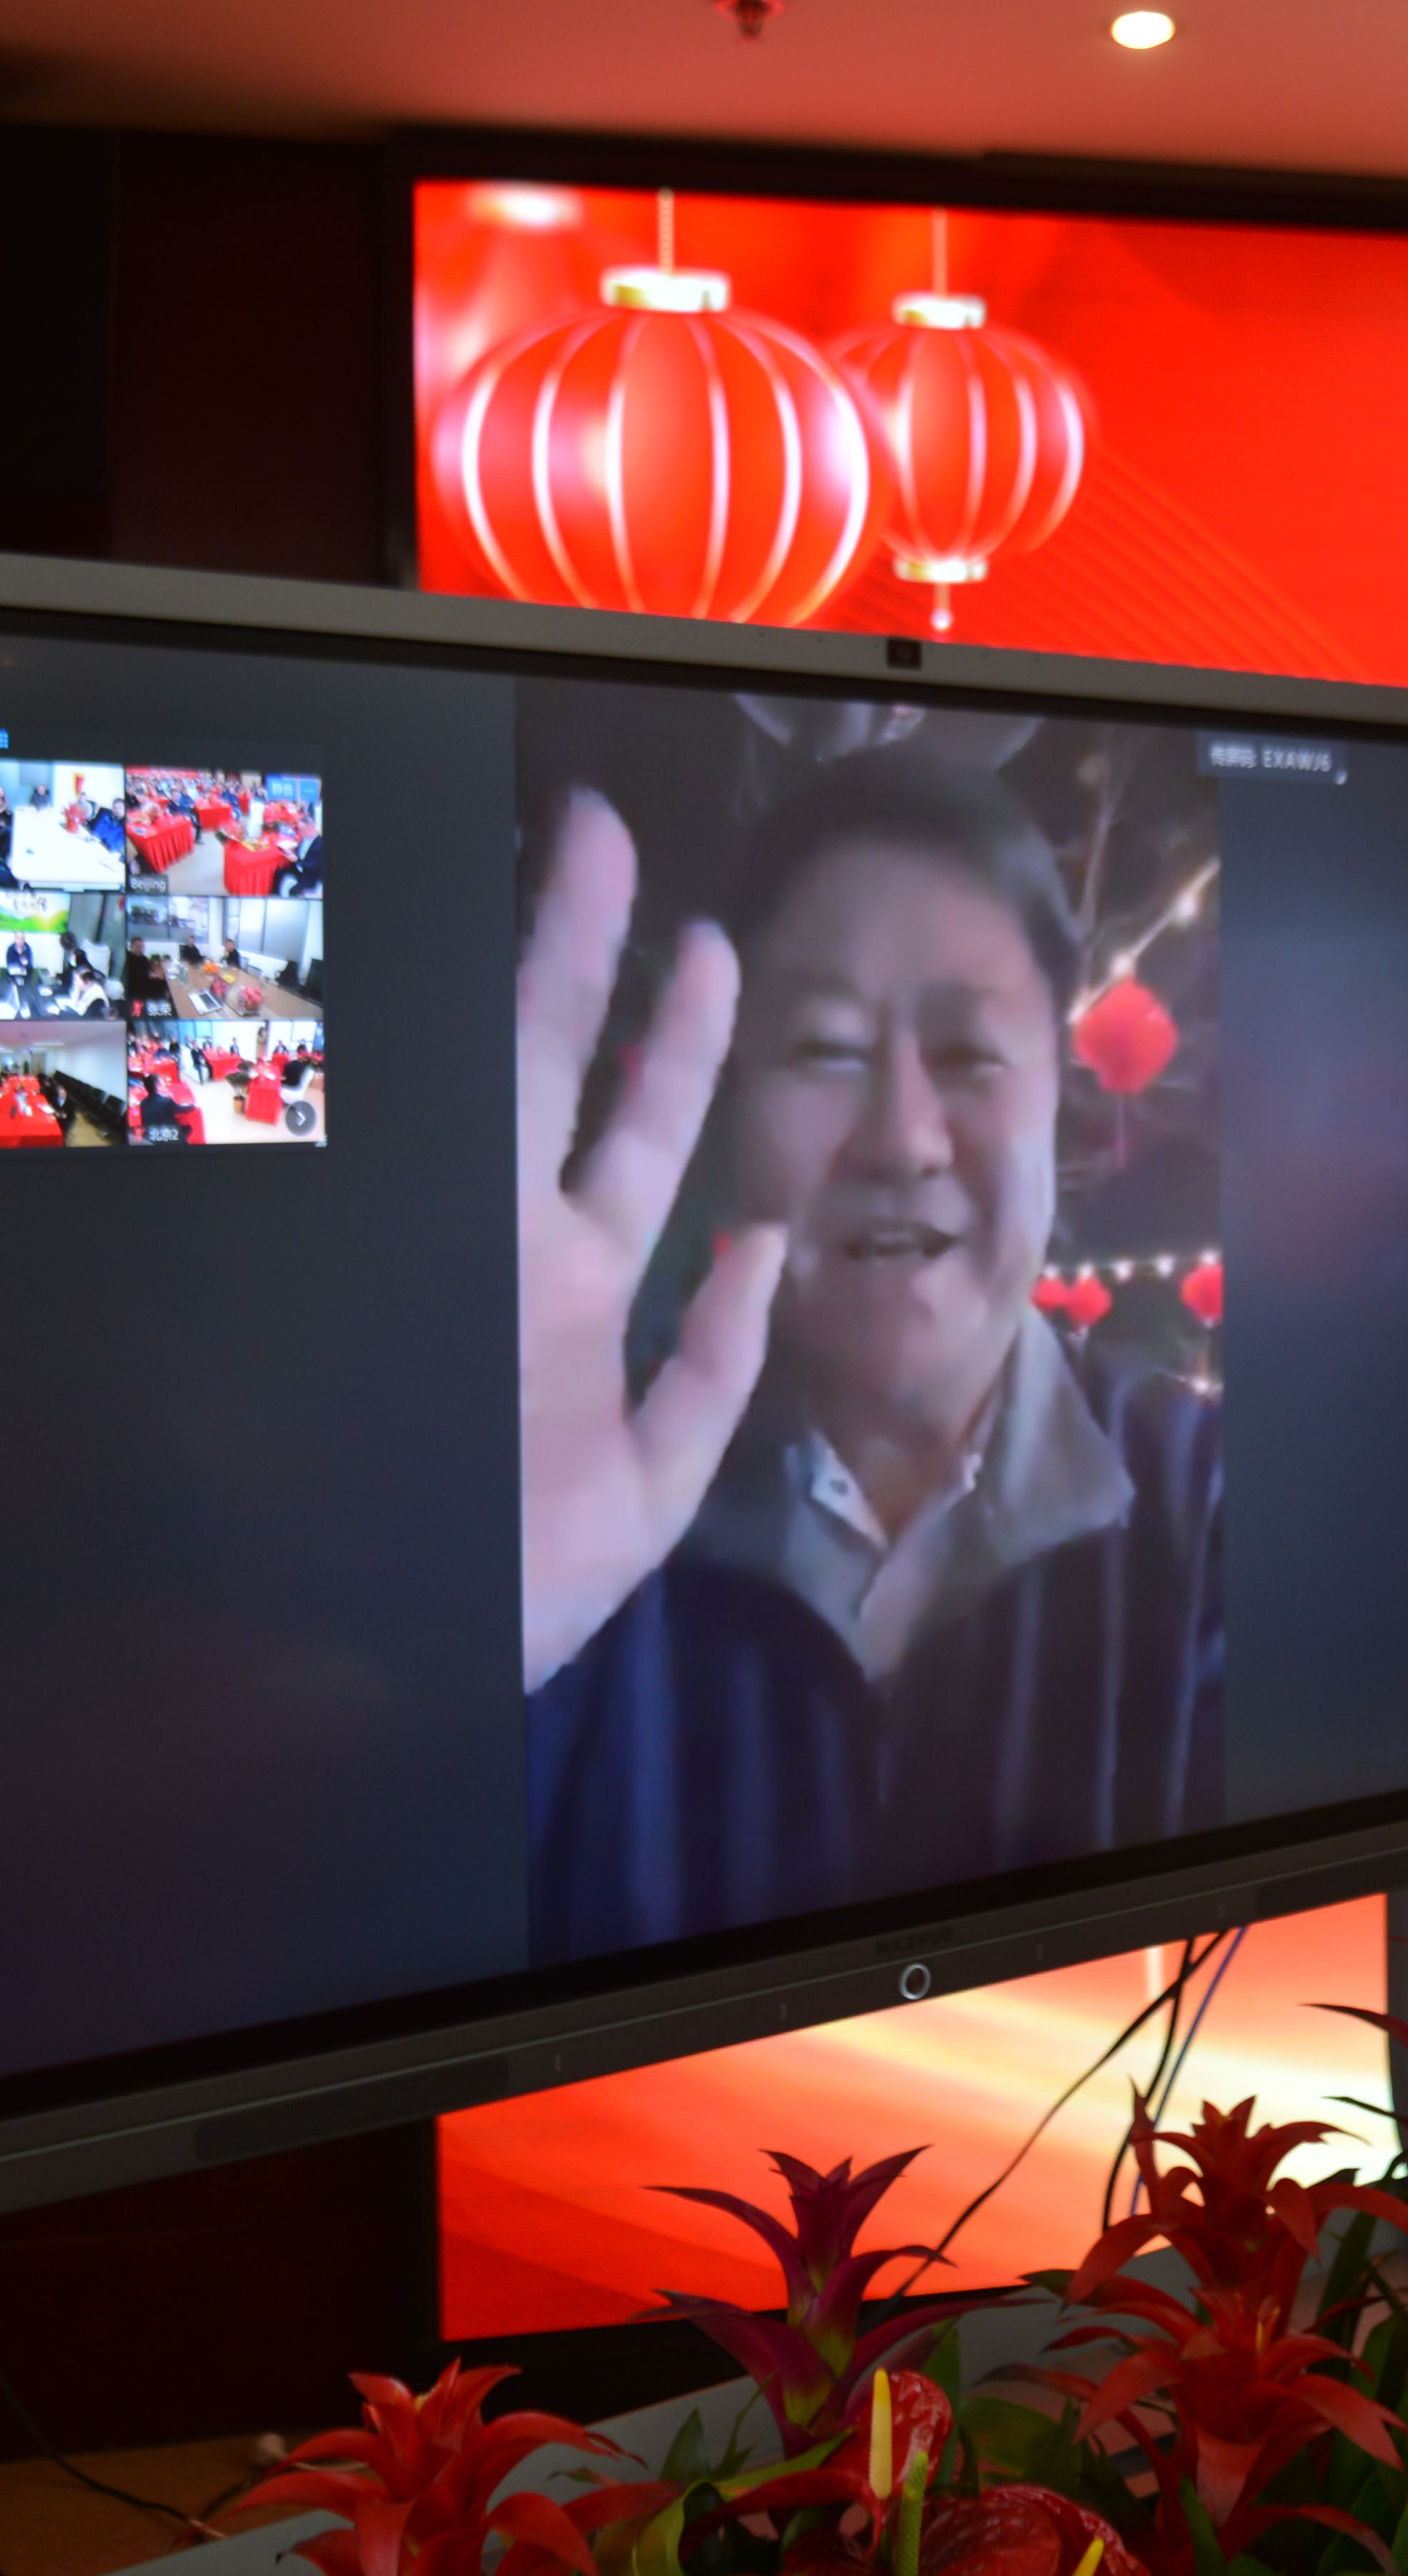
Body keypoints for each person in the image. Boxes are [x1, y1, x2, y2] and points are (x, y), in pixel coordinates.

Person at [517, 751, 1221, 1961]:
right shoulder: (568, 1503)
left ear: (1060, 1102)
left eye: (968, 1055)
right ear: (731, 1110)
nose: (901, 1140)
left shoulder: (1214, 1512)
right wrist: (462, 1657)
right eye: (825, 1050)